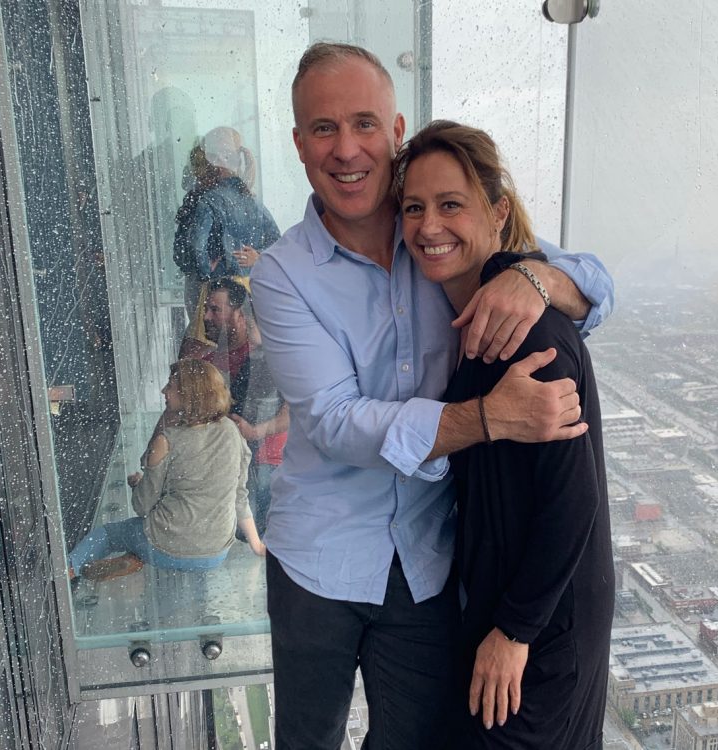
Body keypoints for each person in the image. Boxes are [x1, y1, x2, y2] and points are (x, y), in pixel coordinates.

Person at [250, 42, 614, 750]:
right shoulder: (283, 273)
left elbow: (593, 282)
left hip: (425, 561)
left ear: (395, 131)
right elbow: (332, 422)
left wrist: (537, 279)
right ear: (298, 143)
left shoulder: (438, 242)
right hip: (319, 559)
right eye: (323, 128)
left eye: (363, 123)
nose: (346, 148)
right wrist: (482, 419)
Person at [394, 120, 613, 749]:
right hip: (514, 607)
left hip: (543, 627)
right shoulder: (481, 318)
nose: (429, 226)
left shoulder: (530, 331)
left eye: (451, 205)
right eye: (414, 208)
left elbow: (574, 501)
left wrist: (515, 632)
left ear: (498, 211)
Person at [68, 360, 265, 581]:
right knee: (163, 515)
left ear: (188, 394)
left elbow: (142, 506)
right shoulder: (231, 432)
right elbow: (239, 495)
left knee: (109, 535)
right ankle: (136, 556)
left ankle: (69, 570)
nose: (163, 391)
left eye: (170, 386)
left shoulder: (167, 441)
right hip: (215, 553)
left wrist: (138, 485)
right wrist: (256, 544)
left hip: (167, 544)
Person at [173, 126, 281, 356]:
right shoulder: (209, 200)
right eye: (214, 155)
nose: (220, 161)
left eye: (227, 156)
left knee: (216, 346)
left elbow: (278, 247)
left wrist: (258, 258)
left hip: (224, 289)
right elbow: (186, 253)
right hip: (224, 289)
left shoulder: (240, 201)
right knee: (222, 346)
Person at [199, 277, 289, 535]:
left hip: (268, 465)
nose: (206, 316)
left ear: (240, 313)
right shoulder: (208, 363)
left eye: (215, 309)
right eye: (206, 309)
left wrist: (255, 431)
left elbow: (296, 411)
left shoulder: (269, 354)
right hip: (228, 468)